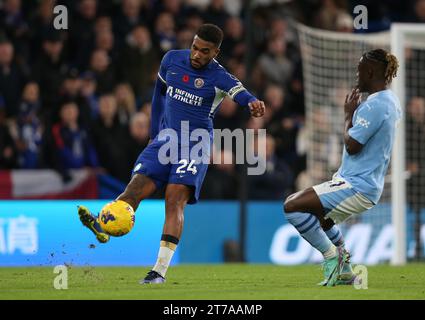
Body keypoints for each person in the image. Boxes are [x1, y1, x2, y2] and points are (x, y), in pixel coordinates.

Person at [78, 24, 265, 284]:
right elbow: (159, 95)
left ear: (216, 52)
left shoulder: (219, 76)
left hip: (196, 144)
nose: (197, 55)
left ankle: (158, 271)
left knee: (174, 197)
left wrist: (253, 103)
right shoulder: (172, 60)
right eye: (195, 47)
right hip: (165, 140)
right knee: (134, 189)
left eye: (205, 51)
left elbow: (242, 94)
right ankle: (104, 225)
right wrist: (155, 132)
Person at [283, 48, 401, 286]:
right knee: (323, 222)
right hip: (363, 183)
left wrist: (348, 115)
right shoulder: (392, 101)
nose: (357, 77)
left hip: (357, 184)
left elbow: (353, 146)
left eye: (359, 71)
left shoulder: (374, 105)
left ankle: (332, 259)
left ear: (370, 72)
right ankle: (345, 270)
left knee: (292, 206)